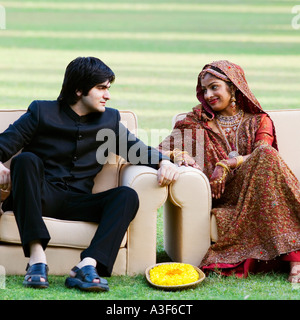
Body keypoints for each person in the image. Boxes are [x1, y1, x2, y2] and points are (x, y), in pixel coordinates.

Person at [0, 56, 179, 291]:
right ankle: (36, 260)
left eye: (108, 88)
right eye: (101, 88)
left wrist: (165, 162)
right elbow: (4, 143)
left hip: (78, 200)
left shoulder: (109, 120)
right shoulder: (41, 111)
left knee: (126, 196)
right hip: (39, 197)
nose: (108, 95)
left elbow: (139, 151)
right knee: (25, 160)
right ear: (78, 90)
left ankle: (87, 265)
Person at [159, 60, 300, 283]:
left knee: (267, 155)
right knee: (267, 157)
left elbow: (263, 151)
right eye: (204, 90)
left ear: (233, 87)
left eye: (214, 87)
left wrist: (226, 164)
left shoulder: (259, 120)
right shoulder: (196, 121)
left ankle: (295, 258)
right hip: (223, 194)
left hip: (258, 189)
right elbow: (158, 150)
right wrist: (179, 155)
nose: (208, 95)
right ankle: (296, 259)